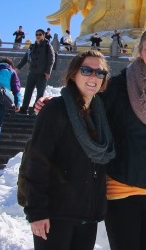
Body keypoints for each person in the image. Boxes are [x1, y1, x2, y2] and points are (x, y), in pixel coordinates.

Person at [36, 25, 146, 250]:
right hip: (120, 185)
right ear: (139, 51)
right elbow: (88, 106)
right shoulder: (118, 87)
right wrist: (60, 105)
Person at [25, 51, 115, 250]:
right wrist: (37, 212)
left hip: (87, 215)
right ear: (74, 74)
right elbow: (37, 162)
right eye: (86, 70)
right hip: (56, 213)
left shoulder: (100, 114)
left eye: (100, 73)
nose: (93, 76)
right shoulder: (55, 109)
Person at [16, 29, 55, 115]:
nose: (38, 36)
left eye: (40, 34)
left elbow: (51, 59)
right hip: (32, 73)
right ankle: (24, 109)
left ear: (44, 35)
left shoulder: (48, 46)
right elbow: (26, 58)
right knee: (27, 92)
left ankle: (35, 110)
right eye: (36, 34)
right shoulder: (32, 46)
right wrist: (18, 68)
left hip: (42, 74)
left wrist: (48, 71)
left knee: (40, 94)